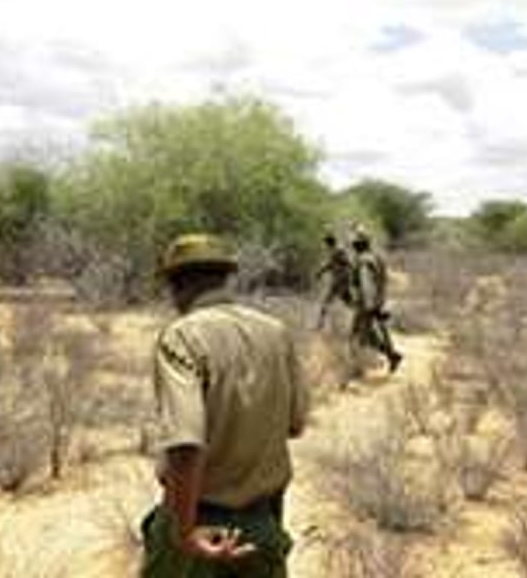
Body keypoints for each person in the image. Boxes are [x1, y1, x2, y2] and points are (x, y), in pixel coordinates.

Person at [141, 233, 308, 577]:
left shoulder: (183, 336)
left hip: (202, 524)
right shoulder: (275, 332)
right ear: (225, 277)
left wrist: (185, 532)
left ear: (176, 284)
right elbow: (296, 422)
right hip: (263, 525)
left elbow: (186, 444)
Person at [349, 227, 403, 373]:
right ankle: (391, 355)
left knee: (357, 335)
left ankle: (355, 368)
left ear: (358, 244)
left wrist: (370, 307)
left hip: (367, 305)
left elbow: (367, 285)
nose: (353, 245)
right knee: (369, 335)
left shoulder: (363, 261)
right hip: (377, 301)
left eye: (354, 243)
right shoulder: (375, 257)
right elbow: (382, 280)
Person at [314, 233, 352, 330]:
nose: (324, 246)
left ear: (328, 243)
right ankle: (320, 323)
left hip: (340, 280)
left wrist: (320, 272)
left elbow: (345, 263)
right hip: (341, 280)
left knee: (327, 301)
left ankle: (320, 324)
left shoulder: (337, 250)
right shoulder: (336, 250)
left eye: (325, 243)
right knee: (348, 302)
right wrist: (320, 272)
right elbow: (332, 264)